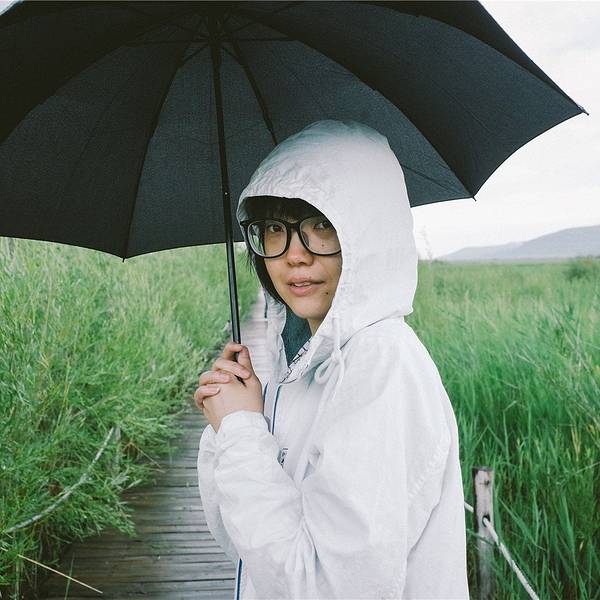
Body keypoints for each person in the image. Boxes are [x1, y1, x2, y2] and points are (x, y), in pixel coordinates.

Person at [195, 120, 469, 599]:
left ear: (368, 235)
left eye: (321, 226)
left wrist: (240, 432)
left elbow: (322, 585)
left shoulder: (382, 366)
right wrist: (233, 425)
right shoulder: (300, 364)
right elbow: (245, 543)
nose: (294, 256)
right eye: (274, 229)